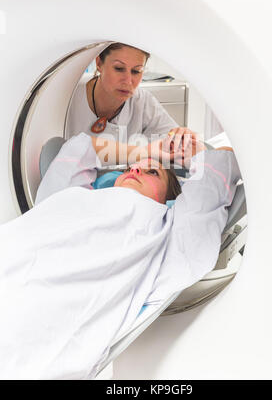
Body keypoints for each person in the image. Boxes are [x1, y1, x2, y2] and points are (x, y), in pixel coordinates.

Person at [0, 133, 240, 380]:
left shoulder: (168, 236)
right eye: (131, 167)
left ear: (171, 199)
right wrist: (145, 151)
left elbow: (220, 169)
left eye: (152, 173)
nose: (135, 169)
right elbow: (78, 149)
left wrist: (197, 154)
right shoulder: (68, 196)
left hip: (28, 323)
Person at [65, 41, 199, 163]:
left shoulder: (143, 102)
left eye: (136, 71)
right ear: (99, 63)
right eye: (119, 68)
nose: (128, 81)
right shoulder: (68, 96)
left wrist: (182, 138)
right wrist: (144, 152)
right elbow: (72, 149)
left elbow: (185, 151)